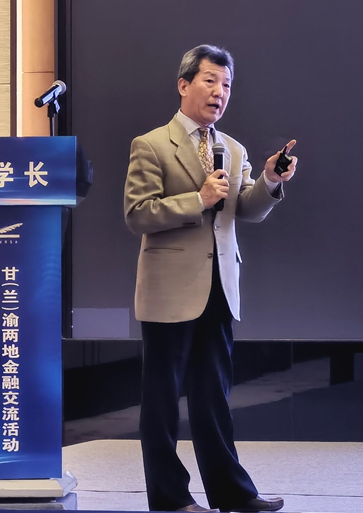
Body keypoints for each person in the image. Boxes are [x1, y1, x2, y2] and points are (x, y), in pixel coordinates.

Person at [123, 44, 297, 513]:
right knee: (162, 400)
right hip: (169, 290)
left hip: (220, 286)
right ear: (184, 85)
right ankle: (169, 499)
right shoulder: (151, 144)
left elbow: (247, 210)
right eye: (210, 81)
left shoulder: (233, 149)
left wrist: (270, 180)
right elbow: (138, 214)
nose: (220, 92)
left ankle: (232, 493)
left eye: (227, 85)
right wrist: (197, 200)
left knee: (213, 397)